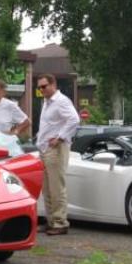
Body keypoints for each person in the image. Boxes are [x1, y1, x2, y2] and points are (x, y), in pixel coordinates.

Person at [35, 74, 80, 236]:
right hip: (46, 148)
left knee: (56, 187)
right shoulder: (47, 102)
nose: (41, 90)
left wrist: (60, 137)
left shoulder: (61, 101)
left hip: (56, 149)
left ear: (53, 84)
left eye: (44, 86)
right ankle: (51, 221)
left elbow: (74, 119)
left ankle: (60, 222)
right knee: (47, 188)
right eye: (39, 87)